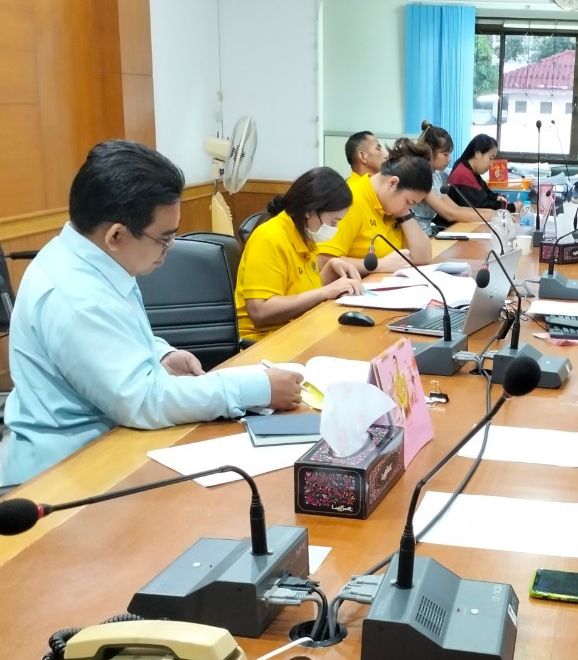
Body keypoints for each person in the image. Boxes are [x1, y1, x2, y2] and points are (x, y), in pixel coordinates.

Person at [2, 140, 303, 487]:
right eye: (164, 238)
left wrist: (159, 354)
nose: (168, 249)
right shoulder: (77, 297)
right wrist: (255, 387)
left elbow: (114, 335)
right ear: (116, 235)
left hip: (108, 444)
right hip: (66, 474)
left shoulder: (89, 256)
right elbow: (143, 400)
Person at [234, 167, 364, 342]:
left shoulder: (304, 236)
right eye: (334, 222)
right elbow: (260, 311)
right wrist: (325, 291)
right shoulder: (270, 238)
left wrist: (330, 269)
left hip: (299, 329)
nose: (335, 229)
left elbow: (298, 292)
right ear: (310, 210)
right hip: (265, 341)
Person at [315, 143, 433, 272]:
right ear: (393, 183)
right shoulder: (351, 201)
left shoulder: (393, 208)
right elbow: (323, 261)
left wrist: (405, 214)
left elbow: (423, 258)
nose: (408, 207)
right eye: (409, 202)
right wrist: (380, 265)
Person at [444, 134, 512, 217]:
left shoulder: (470, 170)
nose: (491, 164)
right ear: (478, 153)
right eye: (490, 158)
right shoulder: (462, 174)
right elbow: (480, 206)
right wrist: (510, 207)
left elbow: (486, 193)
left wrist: (498, 197)